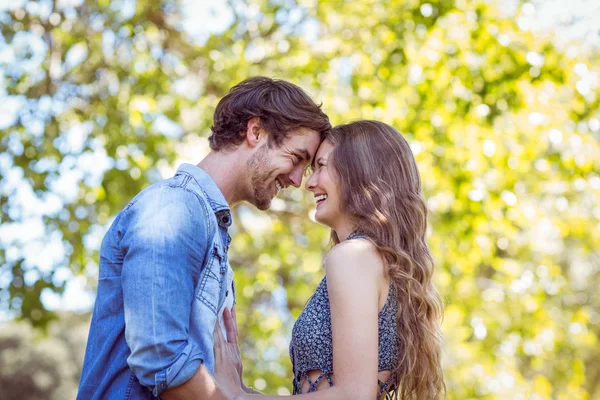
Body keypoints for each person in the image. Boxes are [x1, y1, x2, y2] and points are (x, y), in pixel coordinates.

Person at [77, 76, 331, 399]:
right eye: (296, 159)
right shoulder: (174, 207)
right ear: (255, 132)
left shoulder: (210, 229)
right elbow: (161, 358)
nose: (297, 180)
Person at [213, 120, 445, 399]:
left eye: (321, 166)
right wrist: (241, 390)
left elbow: (353, 395)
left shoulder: (353, 257)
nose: (309, 183)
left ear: (360, 172)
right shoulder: (378, 262)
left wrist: (237, 398)